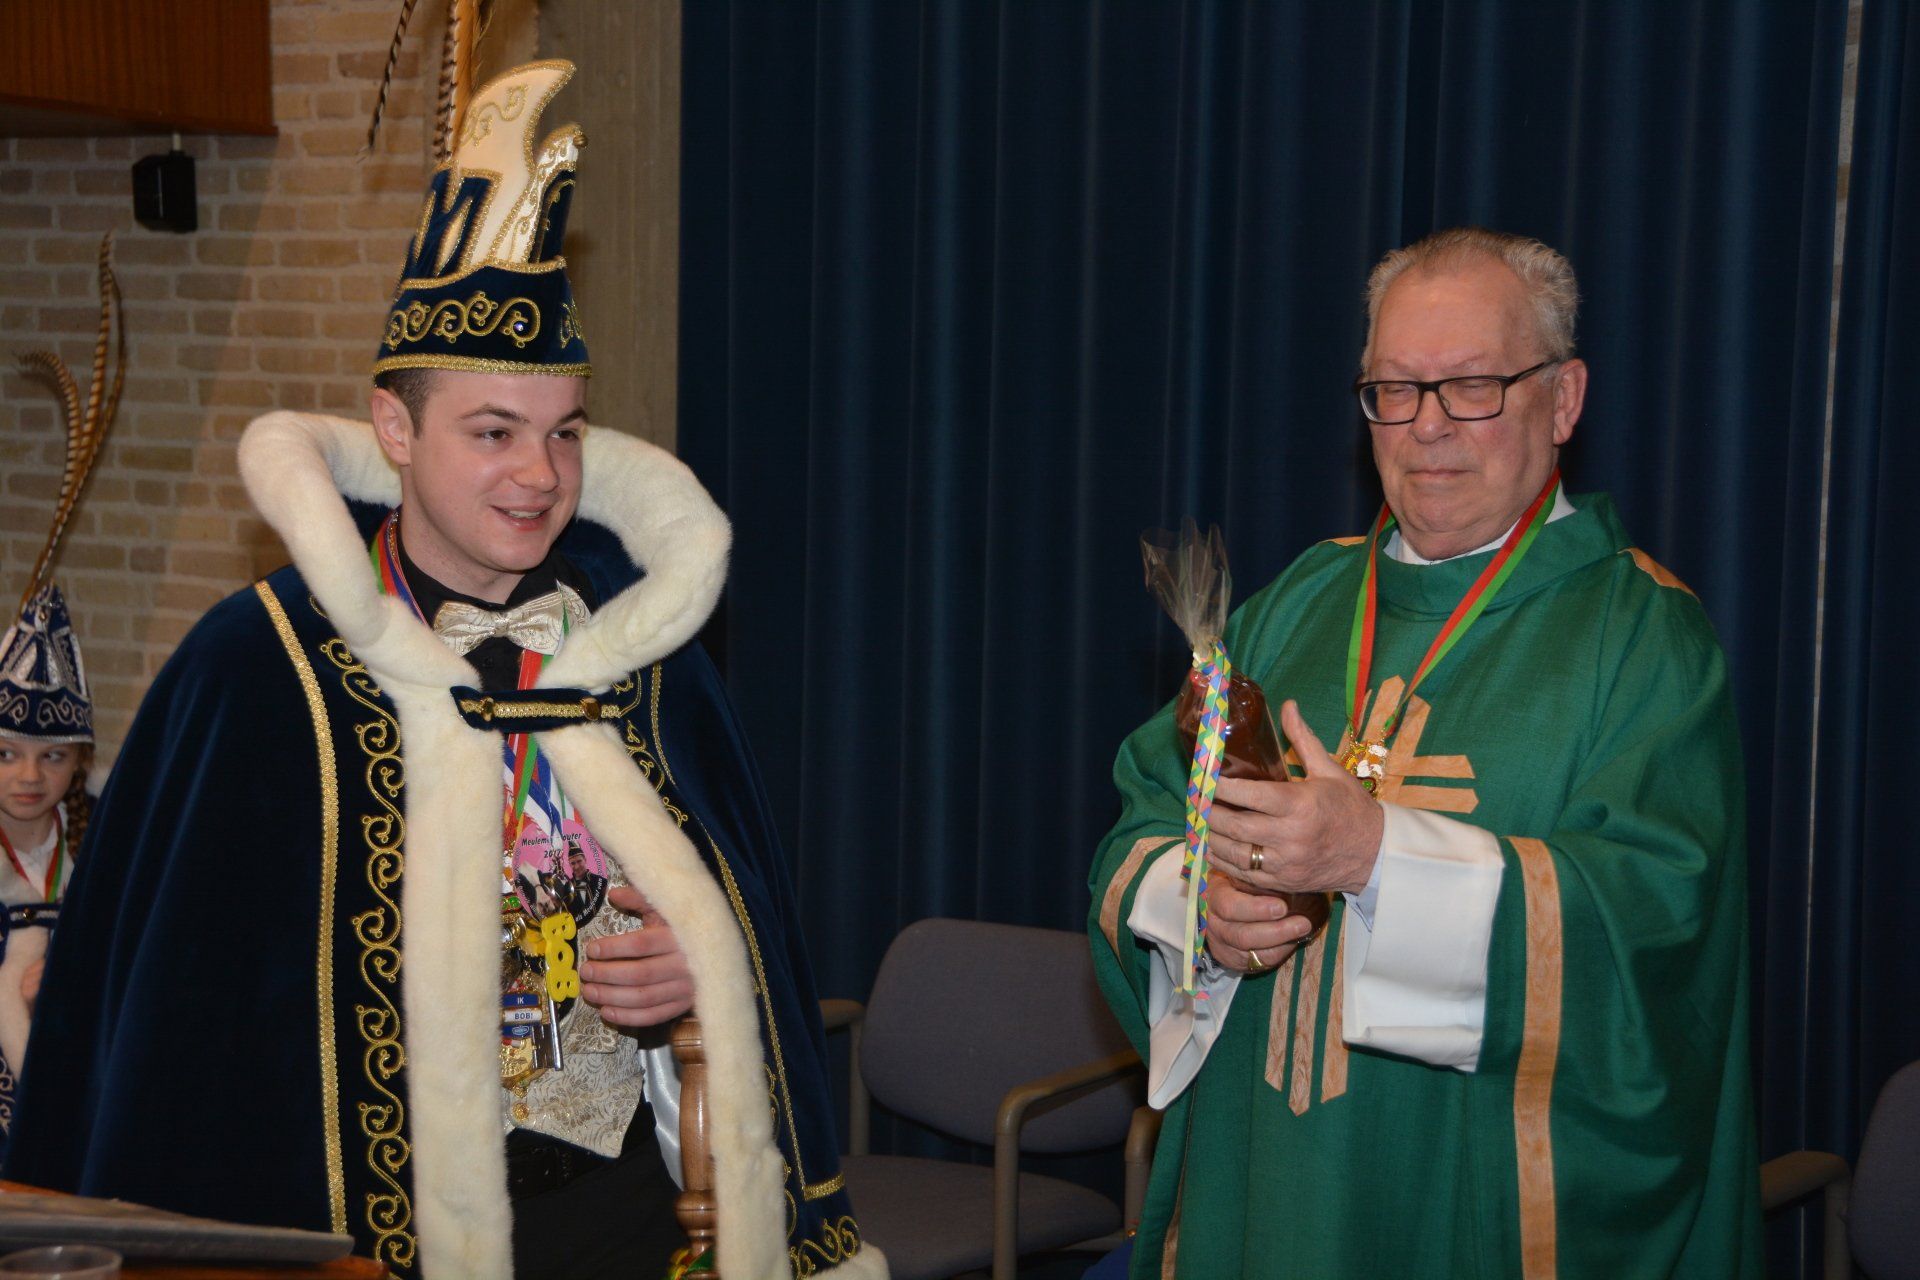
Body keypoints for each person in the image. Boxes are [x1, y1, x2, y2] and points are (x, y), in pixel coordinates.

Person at [9, 61, 881, 1280]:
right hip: (382, 1237)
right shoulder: (255, 670)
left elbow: (748, 940)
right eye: (492, 432)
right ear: (396, 430)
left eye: (564, 432)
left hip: (626, 1202)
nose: (540, 475)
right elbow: (170, 1017)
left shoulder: (641, 657)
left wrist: (699, 965)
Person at [1090, 227, 1761, 1278]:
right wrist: (1202, 911)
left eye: (1474, 387)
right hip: (1261, 1188)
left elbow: (1656, 932)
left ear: (1564, 399)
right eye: (1395, 389)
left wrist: (1376, 857)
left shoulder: (1642, 638)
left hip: (1464, 1198)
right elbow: (1145, 816)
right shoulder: (1295, 601)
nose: (1428, 425)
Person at [0, 584, 93, 1160]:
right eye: (7, 754)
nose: (30, 776)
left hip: (71, 1083)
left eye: (52, 755)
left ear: (79, 760)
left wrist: (67, 979)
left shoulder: (101, 844)